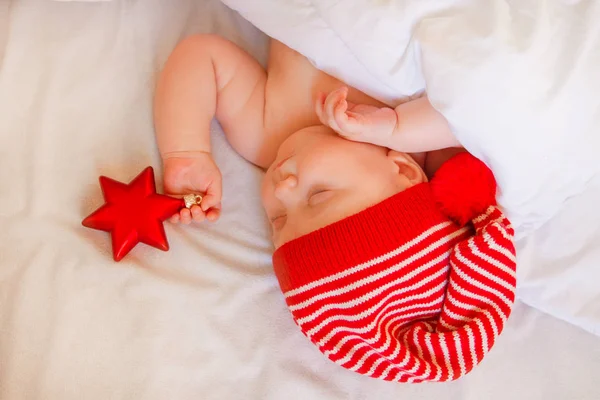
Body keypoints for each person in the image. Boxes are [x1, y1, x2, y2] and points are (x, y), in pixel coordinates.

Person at [153, 34, 516, 382]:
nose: (283, 189)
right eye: (319, 195)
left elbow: (203, 55)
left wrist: (187, 152)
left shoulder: (264, 136)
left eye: (278, 219)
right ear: (404, 170)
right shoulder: (410, 134)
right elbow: (479, 116)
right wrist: (394, 127)